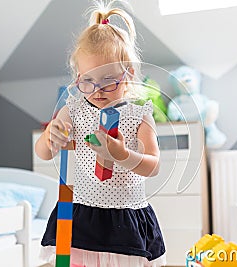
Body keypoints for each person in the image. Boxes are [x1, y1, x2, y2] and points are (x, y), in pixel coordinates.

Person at [35, 1, 166, 266]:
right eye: (88, 81)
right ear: (78, 77)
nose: (97, 90)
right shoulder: (72, 109)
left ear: (127, 74)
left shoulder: (140, 115)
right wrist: (52, 137)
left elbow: (153, 166)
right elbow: (43, 151)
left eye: (108, 80)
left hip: (125, 217)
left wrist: (123, 155)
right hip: (82, 216)